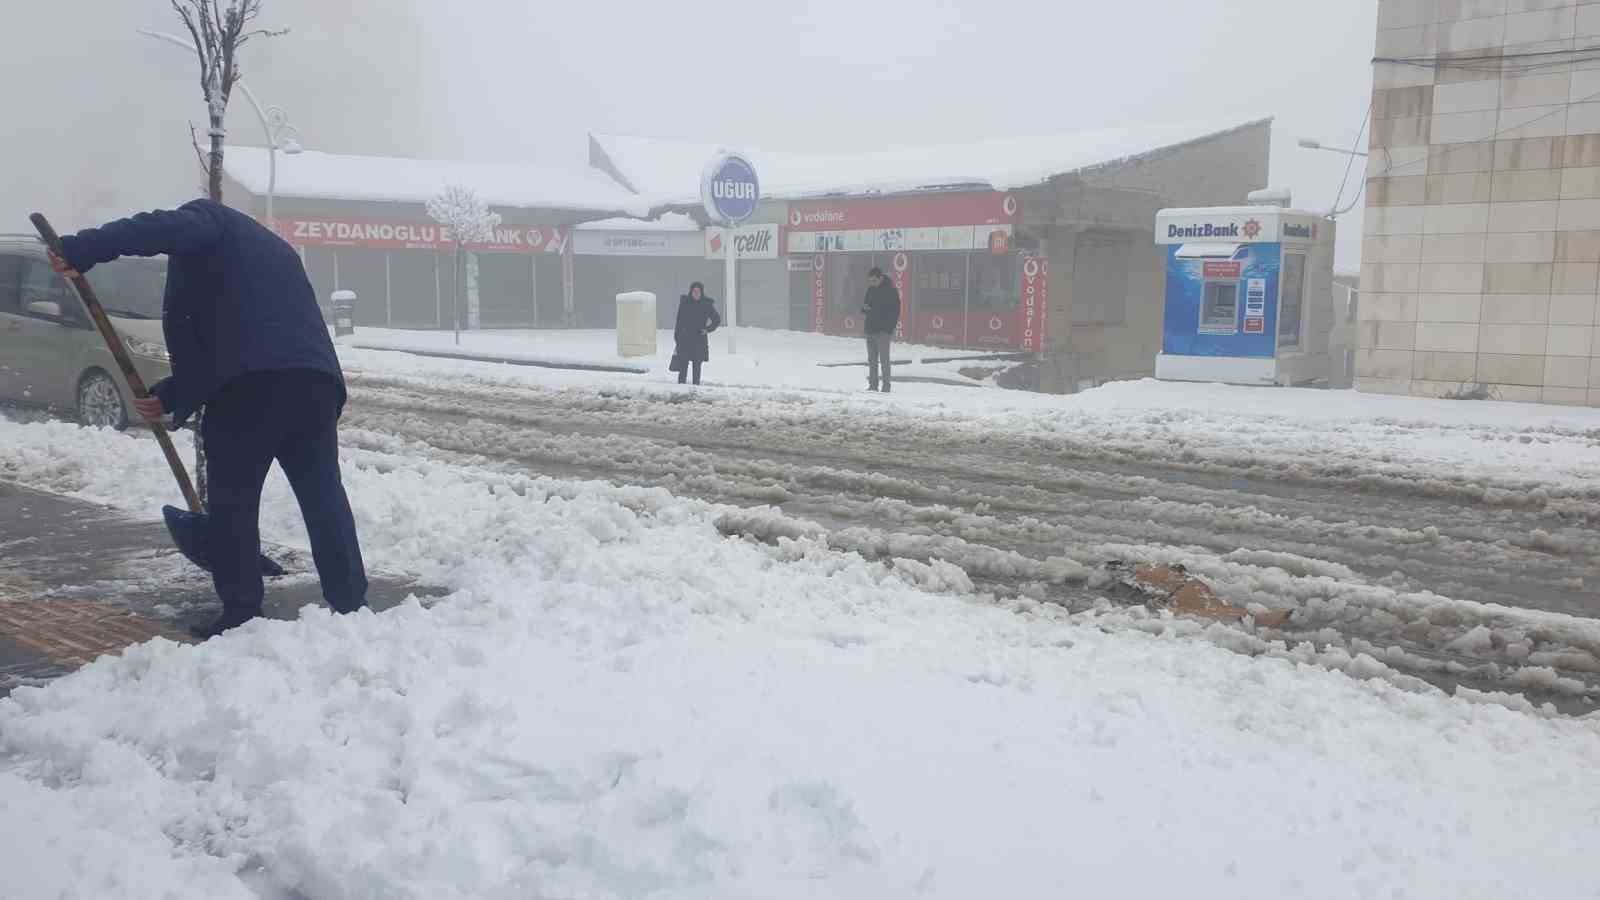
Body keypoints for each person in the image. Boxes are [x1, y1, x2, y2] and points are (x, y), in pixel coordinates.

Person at [50, 198, 369, 640]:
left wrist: (83, 248)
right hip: (313, 384)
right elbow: (242, 332)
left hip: (249, 391)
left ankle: (241, 611)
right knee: (323, 499)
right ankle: (351, 600)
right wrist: (173, 394)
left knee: (233, 504)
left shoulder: (209, 221)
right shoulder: (273, 251)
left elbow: (158, 226)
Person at [672, 281, 721, 386]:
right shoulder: (685, 303)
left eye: (698, 291)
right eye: (694, 291)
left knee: (697, 365)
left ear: (702, 292)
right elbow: (679, 321)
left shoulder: (706, 304)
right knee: (683, 365)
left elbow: (716, 320)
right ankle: (681, 389)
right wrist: (677, 336)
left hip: (699, 339)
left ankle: (696, 388)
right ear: (691, 292)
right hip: (685, 339)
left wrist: (707, 329)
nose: (696, 293)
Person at [862, 266, 900, 392]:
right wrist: (864, 309)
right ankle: (873, 386)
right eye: (870, 281)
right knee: (872, 360)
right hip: (870, 330)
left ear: (881, 278)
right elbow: (865, 306)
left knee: (884, 360)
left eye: (874, 281)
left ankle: (886, 387)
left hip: (883, 332)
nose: (872, 283)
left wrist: (888, 329)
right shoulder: (870, 290)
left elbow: (895, 312)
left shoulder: (891, 291)